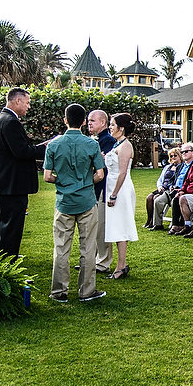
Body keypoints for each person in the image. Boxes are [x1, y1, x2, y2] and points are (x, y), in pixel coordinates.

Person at [44, 103, 106, 303]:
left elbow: (47, 176)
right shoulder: (91, 144)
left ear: (65, 120)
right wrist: (86, 182)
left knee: (61, 247)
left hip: (64, 201)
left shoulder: (54, 144)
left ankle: (59, 291)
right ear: (82, 122)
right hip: (87, 200)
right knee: (87, 247)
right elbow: (100, 174)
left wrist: (62, 182)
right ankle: (86, 291)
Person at [0, 87, 48, 258]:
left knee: (5, 225)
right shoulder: (10, 122)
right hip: (12, 185)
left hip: (6, 183)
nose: (28, 107)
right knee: (12, 227)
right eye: (27, 102)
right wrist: (45, 148)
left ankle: (2, 257)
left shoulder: (1, 119)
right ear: (17, 101)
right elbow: (21, 152)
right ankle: (8, 260)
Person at [104, 113, 138, 279]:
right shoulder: (117, 144)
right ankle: (120, 265)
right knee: (116, 226)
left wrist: (114, 194)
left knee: (121, 227)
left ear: (121, 128)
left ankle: (120, 266)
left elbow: (123, 172)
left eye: (112, 125)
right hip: (112, 186)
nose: (110, 127)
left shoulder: (125, 146)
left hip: (121, 189)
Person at [87, 109, 117, 274]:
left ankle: (103, 261)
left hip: (104, 188)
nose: (89, 123)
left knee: (101, 226)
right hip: (94, 188)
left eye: (92, 120)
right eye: (88, 120)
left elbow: (105, 165)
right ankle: (92, 259)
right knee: (92, 226)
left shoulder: (108, 140)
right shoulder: (95, 140)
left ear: (103, 122)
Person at [168, 143, 193, 234]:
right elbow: (187, 181)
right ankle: (186, 225)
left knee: (182, 199)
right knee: (177, 197)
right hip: (184, 190)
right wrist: (182, 190)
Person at [145, 148, 182, 229]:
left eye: (175, 155)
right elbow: (160, 179)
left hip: (170, 189)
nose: (173, 157)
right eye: (171, 156)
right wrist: (159, 186)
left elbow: (178, 182)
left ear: (180, 156)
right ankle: (149, 220)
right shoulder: (168, 167)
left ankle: (156, 222)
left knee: (155, 198)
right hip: (162, 188)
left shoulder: (181, 167)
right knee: (149, 197)